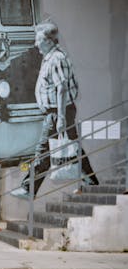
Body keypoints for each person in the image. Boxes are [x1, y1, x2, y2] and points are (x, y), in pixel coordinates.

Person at [12, 22, 98, 198]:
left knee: (43, 151)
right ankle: (91, 182)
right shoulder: (50, 57)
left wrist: (60, 118)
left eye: (39, 40)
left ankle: (29, 188)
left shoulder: (56, 59)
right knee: (73, 148)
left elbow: (62, 88)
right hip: (59, 112)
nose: (36, 44)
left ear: (49, 41)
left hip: (58, 112)